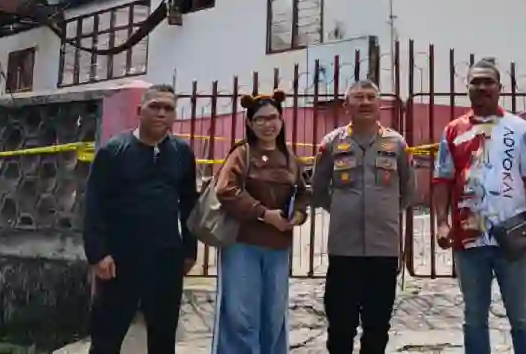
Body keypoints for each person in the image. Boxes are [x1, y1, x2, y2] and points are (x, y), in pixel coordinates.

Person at [432, 58, 526, 354]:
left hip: (512, 236)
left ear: (500, 88)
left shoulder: (519, 128)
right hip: (469, 238)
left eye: (489, 81)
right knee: (474, 318)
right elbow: (442, 179)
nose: (482, 87)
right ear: (467, 88)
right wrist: (442, 222)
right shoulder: (453, 131)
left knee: (521, 317)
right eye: (476, 82)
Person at [83, 84, 199, 354]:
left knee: (163, 338)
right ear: (139, 110)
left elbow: (189, 204)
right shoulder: (113, 151)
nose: (161, 113)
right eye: (154, 106)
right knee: (106, 339)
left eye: (168, 108)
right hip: (120, 260)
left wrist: (189, 250)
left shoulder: (182, 153)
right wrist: (98, 253)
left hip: (166, 259)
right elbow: (94, 204)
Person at [312, 80, 415, 354]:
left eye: (371, 97)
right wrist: (342, 209)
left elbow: (408, 190)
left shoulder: (397, 144)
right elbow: (318, 189)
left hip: (383, 250)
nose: (365, 102)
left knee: (377, 326)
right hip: (344, 249)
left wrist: (384, 212)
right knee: (340, 326)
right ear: (347, 106)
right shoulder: (332, 143)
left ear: (380, 105)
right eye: (358, 97)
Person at [211, 90, 311, 354]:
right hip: (242, 244)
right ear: (250, 123)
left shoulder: (289, 158)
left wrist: (298, 215)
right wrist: (265, 214)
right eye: (261, 119)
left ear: (282, 120)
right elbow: (226, 190)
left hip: (278, 247)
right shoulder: (242, 154)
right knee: (241, 316)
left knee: (274, 316)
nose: (269, 124)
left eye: (273, 117)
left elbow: (303, 193)